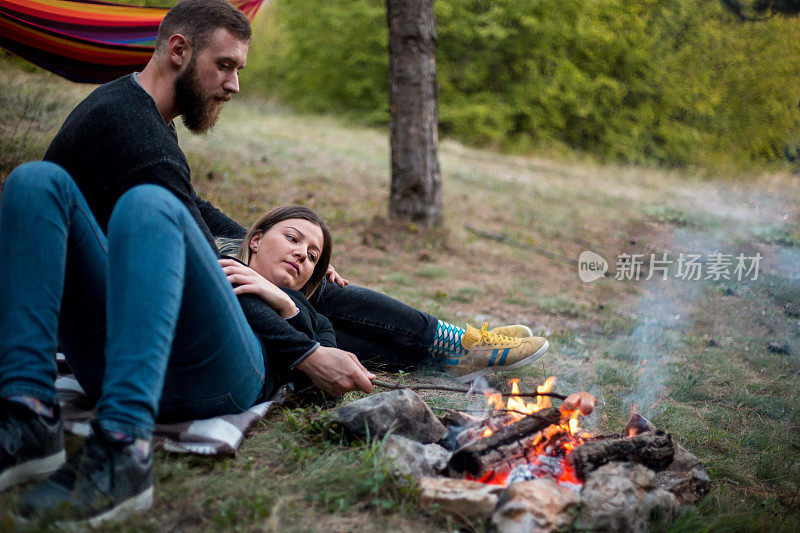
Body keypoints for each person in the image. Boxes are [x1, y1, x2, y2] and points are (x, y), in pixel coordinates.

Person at [217, 206, 552, 393]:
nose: (302, 254)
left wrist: (294, 292)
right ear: (257, 239)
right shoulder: (222, 269)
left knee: (322, 293)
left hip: (290, 311)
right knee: (324, 295)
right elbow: (319, 355)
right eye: (292, 238)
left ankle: (452, 354)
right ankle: (456, 348)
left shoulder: (300, 298)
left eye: (313, 254)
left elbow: (325, 339)